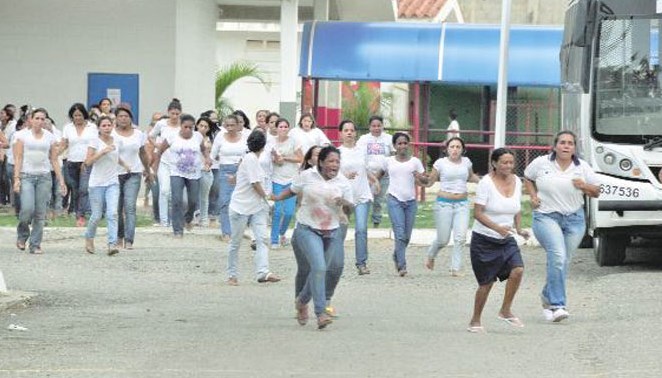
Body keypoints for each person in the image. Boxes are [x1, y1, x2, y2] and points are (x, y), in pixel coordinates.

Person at [274, 145, 354, 329]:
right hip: (307, 228)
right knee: (318, 267)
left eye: (338, 162)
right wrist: (277, 198)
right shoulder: (307, 176)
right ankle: (320, 312)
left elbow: (350, 209)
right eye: (331, 161)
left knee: (321, 269)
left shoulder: (343, 182)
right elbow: (293, 191)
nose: (335, 165)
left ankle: (301, 301)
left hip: (331, 231)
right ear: (321, 162)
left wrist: (345, 204)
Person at [524, 130, 600, 322]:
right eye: (563, 142)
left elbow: (596, 191)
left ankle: (547, 296)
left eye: (570, 143)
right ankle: (558, 305)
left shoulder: (582, 167)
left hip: (574, 220)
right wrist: (533, 196)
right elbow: (528, 177)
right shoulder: (541, 163)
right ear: (555, 145)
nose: (566, 146)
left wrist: (583, 186)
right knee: (558, 255)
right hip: (546, 217)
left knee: (562, 261)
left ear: (574, 148)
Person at [467, 148, 528, 333]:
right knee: (486, 284)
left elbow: (516, 208)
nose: (508, 166)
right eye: (504, 162)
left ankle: (505, 310)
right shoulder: (486, 183)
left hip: (506, 239)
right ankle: (475, 320)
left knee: (518, 270)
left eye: (511, 162)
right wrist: (497, 228)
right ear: (494, 163)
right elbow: (477, 213)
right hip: (484, 240)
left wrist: (518, 229)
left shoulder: (517, 181)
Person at [225, 130, 281, 285]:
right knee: (236, 242)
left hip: (256, 207)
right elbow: (255, 183)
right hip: (240, 207)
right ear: (263, 147)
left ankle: (263, 272)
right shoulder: (250, 159)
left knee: (262, 239)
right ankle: (232, 274)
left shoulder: (249, 159)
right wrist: (268, 199)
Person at [13, 108, 67, 254]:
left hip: (44, 177)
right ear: (30, 119)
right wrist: (16, 179)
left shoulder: (49, 137)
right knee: (27, 209)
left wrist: (61, 180)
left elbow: (54, 159)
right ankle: (22, 234)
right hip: (27, 176)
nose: (40, 121)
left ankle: (35, 244)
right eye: (37, 118)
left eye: (43, 119)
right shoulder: (22, 135)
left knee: (40, 212)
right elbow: (18, 158)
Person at [424, 137, 480, 276]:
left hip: (462, 204)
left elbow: (471, 176)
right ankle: (431, 255)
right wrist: (420, 179)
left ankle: (455, 268)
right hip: (443, 204)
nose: (455, 149)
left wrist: (486, 182)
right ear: (447, 149)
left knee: (460, 237)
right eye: (452, 147)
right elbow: (430, 181)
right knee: (443, 239)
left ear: (462, 149)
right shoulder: (440, 163)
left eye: (458, 147)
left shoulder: (466, 162)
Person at [153, 114, 210, 238]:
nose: (188, 130)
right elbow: (160, 151)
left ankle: (188, 218)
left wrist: (207, 158)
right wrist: (156, 167)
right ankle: (177, 229)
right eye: (186, 127)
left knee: (193, 201)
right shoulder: (172, 137)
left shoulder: (198, 136)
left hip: (194, 174)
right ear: (181, 126)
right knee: (177, 200)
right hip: (176, 172)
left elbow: (203, 149)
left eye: (191, 127)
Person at [338, 120, 379, 275]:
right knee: (340, 231)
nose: (349, 133)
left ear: (355, 133)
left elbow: (366, 169)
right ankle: (336, 261)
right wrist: (344, 175)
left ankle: (361, 263)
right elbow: (331, 173)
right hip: (344, 197)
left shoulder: (362, 150)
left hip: (362, 194)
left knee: (361, 229)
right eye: (346, 130)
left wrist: (374, 180)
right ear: (341, 133)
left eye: (352, 130)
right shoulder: (337, 152)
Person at [384, 132, 427, 277]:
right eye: (399, 143)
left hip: (410, 201)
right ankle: (402, 265)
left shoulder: (415, 162)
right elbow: (379, 174)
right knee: (400, 233)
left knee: (407, 236)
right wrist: (375, 183)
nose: (402, 146)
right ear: (395, 146)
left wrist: (420, 177)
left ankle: (397, 254)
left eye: (405, 143)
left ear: (408, 145)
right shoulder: (389, 161)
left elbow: (425, 181)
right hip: (394, 199)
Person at [84, 116, 127, 255]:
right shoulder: (94, 141)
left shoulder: (117, 141)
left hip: (112, 182)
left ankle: (112, 244)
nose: (107, 128)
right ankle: (89, 237)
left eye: (109, 125)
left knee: (113, 213)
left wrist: (125, 165)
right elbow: (88, 162)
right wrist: (102, 152)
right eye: (104, 126)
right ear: (99, 128)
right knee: (96, 215)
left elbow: (116, 157)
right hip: (96, 183)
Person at [113, 106, 150, 250]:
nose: (123, 119)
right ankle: (119, 236)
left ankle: (129, 239)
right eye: (120, 116)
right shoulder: (112, 134)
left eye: (126, 116)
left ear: (131, 119)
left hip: (133, 173)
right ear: (116, 118)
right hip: (115, 174)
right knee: (117, 208)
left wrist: (148, 170)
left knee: (129, 206)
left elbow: (143, 153)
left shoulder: (138, 134)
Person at [210, 114, 247, 241]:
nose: (230, 128)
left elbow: (248, 154)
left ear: (238, 126)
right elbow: (213, 154)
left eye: (233, 125)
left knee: (240, 202)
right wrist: (207, 164)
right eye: (227, 125)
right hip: (225, 170)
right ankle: (226, 232)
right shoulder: (220, 136)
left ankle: (238, 230)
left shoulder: (244, 138)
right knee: (225, 201)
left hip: (241, 171)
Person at [61, 103, 97, 226]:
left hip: (86, 162)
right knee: (75, 190)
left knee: (83, 189)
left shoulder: (91, 127)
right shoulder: (67, 128)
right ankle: (78, 213)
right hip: (72, 162)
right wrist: (55, 153)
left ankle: (82, 214)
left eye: (80, 115)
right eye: (75, 115)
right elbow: (64, 144)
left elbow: (92, 145)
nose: (77, 118)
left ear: (84, 115)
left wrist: (87, 161)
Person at [270, 117, 302, 248]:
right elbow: (270, 158)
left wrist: (286, 158)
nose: (283, 129)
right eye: (280, 127)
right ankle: (274, 239)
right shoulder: (271, 142)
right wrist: (277, 159)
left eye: (285, 127)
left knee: (289, 212)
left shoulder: (294, 141)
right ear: (276, 128)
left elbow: (301, 158)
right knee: (278, 211)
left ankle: (282, 232)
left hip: (291, 179)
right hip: (276, 179)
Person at [357, 115, 393, 228]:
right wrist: (369, 175)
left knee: (378, 201)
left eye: (379, 126)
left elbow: (393, 155)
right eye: (374, 126)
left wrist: (382, 173)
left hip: (383, 175)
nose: (376, 128)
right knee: (365, 199)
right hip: (366, 175)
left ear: (382, 126)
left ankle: (376, 223)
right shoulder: (363, 139)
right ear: (369, 127)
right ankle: (362, 223)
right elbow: (359, 156)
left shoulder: (389, 139)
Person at [195, 116, 214, 227]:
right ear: (197, 126)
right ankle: (193, 216)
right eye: (201, 125)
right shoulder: (191, 138)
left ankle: (204, 219)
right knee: (190, 196)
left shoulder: (209, 140)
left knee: (204, 196)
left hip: (205, 170)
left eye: (206, 126)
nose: (203, 128)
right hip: (193, 170)